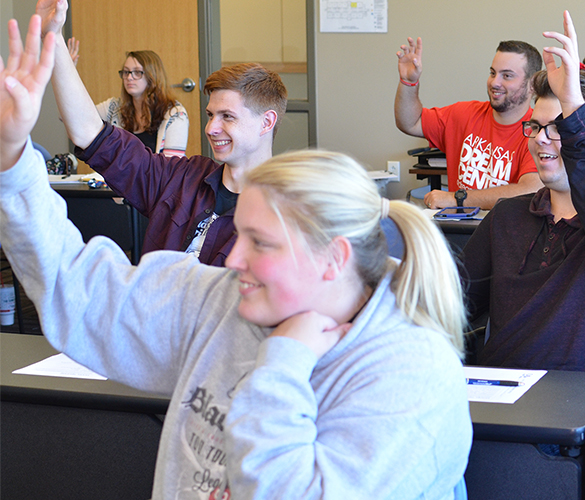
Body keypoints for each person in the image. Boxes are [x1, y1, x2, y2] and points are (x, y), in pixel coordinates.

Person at [1, 15, 472, 499]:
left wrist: (283, 360)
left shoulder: (410, 377)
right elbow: (76, 286)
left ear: (333, 259)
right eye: (240, 234)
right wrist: (11, 158)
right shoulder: (222, 297)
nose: (232, 258)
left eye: (261, 243)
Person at [460, 11, 585, 376]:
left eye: (559, 129)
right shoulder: (507, 217)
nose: (540, 138)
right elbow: (453, 304)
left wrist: (574, 103)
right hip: (505, 409)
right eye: (536, 126)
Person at [37, 0, 285, 267]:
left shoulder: (285, 211)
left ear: (266, 122)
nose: (211, 128)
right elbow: (89, 133)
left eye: (227, 117)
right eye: (211, 115)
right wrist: (53, 37)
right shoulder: (182, 179)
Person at [395, 36, 544, 209]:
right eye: (493, 73)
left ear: (532, 84)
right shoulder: (464, 114)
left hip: (505, 232)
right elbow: (410, 123)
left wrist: (457, 199)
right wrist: (408, 82)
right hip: (459, 232)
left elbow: (530, 191)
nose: (495, 82)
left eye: (507, 76)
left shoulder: (537, 133)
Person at [97, 49, 188, 156]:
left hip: (156, 173)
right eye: (126, 72)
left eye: (137, 72)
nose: (129, 78)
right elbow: (81, 119)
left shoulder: (175, 114)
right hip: (119, 172)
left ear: (152, 76)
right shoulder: (114, 107)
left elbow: (171, 168)